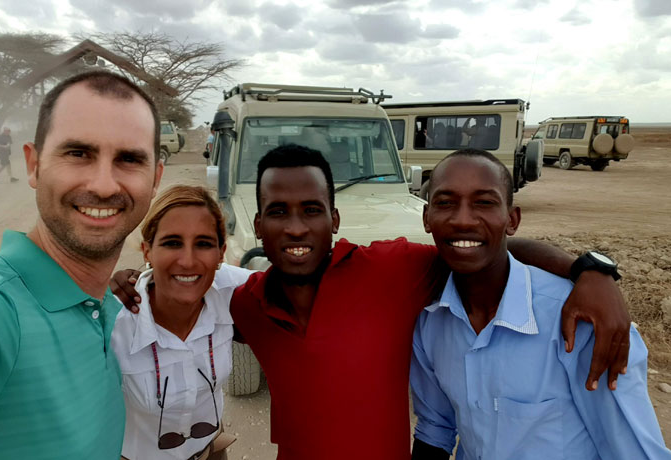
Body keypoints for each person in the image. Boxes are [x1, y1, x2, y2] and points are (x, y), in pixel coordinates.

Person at [113, 144, 630, 460]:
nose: (296, 228)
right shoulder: (246, 302)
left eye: (312, 210)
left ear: (334, 221)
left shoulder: (390, 271)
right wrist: (133, 283)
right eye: (279, 212)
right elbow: (185, 282)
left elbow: (486, 247)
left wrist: (591, 270)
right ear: (260, 226)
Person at [410, 149, 671, 459]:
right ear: (427, 218)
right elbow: (435, 428)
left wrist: (594, 271)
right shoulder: (431, 322)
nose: (463, 219)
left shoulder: (581, 322)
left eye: (484, 202)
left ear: (512, 219)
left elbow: (634, 451)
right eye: (445, 202)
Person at [0, 70, 163, 459]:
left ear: (155, 178)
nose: (105, 185)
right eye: (78, 153)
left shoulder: (106, 309)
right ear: (34, 164)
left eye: (129, 159)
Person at [112, 185, 249, 460]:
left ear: (221, 252)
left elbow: (299, 288)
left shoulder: (229, 291)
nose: (188, 261)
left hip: (212, 453)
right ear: (147, 250)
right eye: (172, 243)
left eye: (204, 244)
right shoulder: (114, 324)